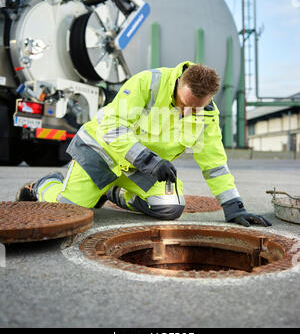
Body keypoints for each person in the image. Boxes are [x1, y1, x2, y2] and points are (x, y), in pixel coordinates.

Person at [17, 61, 271, 227]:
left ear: (209, 99)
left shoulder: (207, 116)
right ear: (178, 84)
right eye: (184, 105)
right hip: (100, 154)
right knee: (68, 215)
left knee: (170, 207)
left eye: (196, 108)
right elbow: (111, 129)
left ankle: (111, 193)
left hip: (142, 168)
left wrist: (233, 206)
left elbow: (214, 165)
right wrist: (149, 160)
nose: (187, 113)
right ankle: (43, 185)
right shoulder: (147, 83)